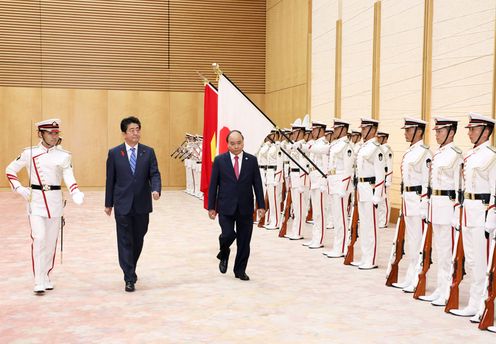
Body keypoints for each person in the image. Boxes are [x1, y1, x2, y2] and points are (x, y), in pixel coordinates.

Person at [6, 118, 84, 294]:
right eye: (51, 133)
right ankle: (38, 279)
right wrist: (18, 188)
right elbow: (10, 170)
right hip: (36, 201)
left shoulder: (64, 155)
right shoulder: (29, 153)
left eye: (57, 133)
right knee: (39, 238)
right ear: (40, 133)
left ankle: (47, 274)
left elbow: (68, 175)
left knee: (50, 242)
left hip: (55, 201)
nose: (55, 136)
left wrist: (75, 191)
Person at [105, 116, 161, 292]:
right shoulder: (114, 153)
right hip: (122, 204)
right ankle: (129, 277)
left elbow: (155, 174)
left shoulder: (148, 152)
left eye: (138, 129)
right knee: (124, 240)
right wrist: (109, 203)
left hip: (142, 204)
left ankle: (131, 268)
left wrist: (156, 189)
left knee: (138, 239)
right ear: (124, 134)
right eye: (132, 130)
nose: (136, 133)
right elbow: (110, 180)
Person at [449, 113, 496, 321]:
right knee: (472, 260)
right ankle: (474, 303)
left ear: (486, 131)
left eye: (473, 129)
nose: (469, 133)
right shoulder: (470, 155)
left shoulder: (492, 156)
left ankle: (485, 305)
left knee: (483, 261)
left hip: (482, 211)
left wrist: (493, 215)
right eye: (469, 129)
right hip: (468, 210)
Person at [208, 130, 265, 281]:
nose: (236, 146)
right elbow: (214, 185)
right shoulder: (220, 160)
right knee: (228, 234)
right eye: (232, 143)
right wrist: (211, 207)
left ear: (243, 142)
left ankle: (240, 270)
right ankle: (224, 252)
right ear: (227, 144)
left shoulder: (251, 160)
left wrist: (261, 205)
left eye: (239, 143)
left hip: (245, 207)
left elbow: (257, 184)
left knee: (244, 241)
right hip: (225, 206)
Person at [418, 117, 462, 306]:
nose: (436, 134)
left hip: (447, 207)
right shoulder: (438, 154)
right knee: (440, 251)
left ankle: (447, 291)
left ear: (451, 133)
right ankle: (440, 288)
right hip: (436, 206)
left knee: (448, 252)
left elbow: (460, 188)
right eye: (436, 131)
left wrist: (457, 212)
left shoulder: (455, 155)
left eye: (440, 131)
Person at [393, 118, 432, 292]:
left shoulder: (424, 153)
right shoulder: (411, 152)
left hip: (418, 202)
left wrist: (424, 205)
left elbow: (426, 181)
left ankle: (417, 278)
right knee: (411, 242)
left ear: (419, 131)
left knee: (418, 242)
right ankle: (410, 276)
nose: (405, 133)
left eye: (409, 130)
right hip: (409, 200)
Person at [351, 118, 385, 270]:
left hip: (371, 190)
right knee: (364, 226)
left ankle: (371, 259)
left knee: (371, 227)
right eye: (362, 129)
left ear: (373, 129)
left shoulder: (376, 149)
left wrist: (377, 195)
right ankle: (365, 257)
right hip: (362, 189)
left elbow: (380, 174)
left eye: (365, 129)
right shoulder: (363, 147)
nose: (362, 131)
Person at [323, 119, 354, 258]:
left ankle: (341, 248)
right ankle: (337, 245)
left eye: (336, 129)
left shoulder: (346, 146)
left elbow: (348, 169)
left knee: (341, 218)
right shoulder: (336, 145)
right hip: (334, 185)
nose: (334, 131)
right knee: (336, 217)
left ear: (343, 129)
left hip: (341, 187)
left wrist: (344, 187)